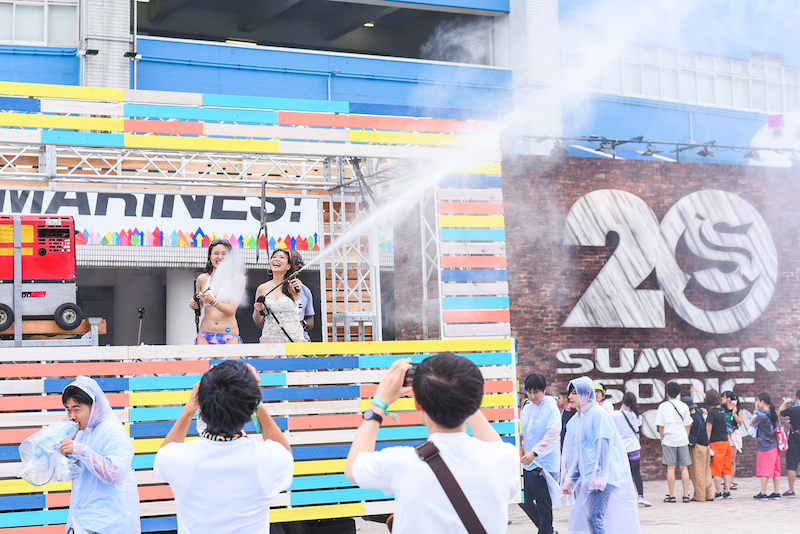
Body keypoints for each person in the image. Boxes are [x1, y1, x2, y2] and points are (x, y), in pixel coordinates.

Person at [344, 353, 519, 534]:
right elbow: (494, 445)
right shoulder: (505, 457)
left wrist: (379, 403)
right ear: (476, 401)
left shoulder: (400, 462)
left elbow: (352, 469)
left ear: (418, 404)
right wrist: (464, 397)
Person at [154, 360, 293, 533]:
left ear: (201, 403)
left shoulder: (181, 459)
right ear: (250, 409)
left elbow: (165, 452)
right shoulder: (266, 459)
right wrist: (255, 398)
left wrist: (190, 407)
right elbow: (284, 452)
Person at [60, 376, 140, 534]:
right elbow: (73, 472)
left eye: (77, 409)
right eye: (68, 410)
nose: (72, 416)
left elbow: (115, 473)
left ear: (95, 406)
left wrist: (81, 451)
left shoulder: (112, 429)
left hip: (110, 523)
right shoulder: (85, 431)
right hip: (87, 520)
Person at [561, 377, 640, 534]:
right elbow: (581, 453)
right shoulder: (581, 418)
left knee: (595, 518)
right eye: (570, 393)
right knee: (588, 518)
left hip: (604, 477)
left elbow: (604, 447)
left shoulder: (598, 414)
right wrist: (573, 479)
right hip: (589, 476)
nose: (570, 397)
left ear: (586, 394)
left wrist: (599, 476)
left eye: (575, 393)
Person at [519, 374, 561, 534]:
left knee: (544, 504)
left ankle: (545, 531)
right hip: (528, 462)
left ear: (545, 390)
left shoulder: (551, 408)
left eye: (536, 392)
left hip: (543, 464)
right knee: (524, 500)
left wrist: (535, 452)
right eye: (529, 392)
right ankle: (548, 531)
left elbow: (552, 435)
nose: (532, 395)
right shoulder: (527, 407)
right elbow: (524, 431)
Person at [189, 239, 243, 344]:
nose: (220, 257)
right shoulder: (202, 278)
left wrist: (213, 301)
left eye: (224, 254)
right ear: (210, 256)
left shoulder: (237, 278)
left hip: (229, 335)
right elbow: (200, 304)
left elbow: (231, 309)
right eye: (216, 253)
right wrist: (195, 304)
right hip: (205, 334)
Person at [253, 249, 307, 344]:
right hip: (269, 336)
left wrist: (299, 285)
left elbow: (298, 289)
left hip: (293, 336)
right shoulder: (262, 288)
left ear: (288, 266)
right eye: (274, 257)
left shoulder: (292, 285)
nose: (276, 259)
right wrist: (257, 310)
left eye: (281, 257)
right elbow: (258, 321)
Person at [655, 381, 693, 503]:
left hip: (669, 439)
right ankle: (686, 495)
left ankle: (672, 496)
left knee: (671, 468)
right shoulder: (684, 406)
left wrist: (662, 439)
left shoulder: (663, 406)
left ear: (667, 393)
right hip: (682, 439)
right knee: (684, 468)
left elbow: (661, 426)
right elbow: (688, 424)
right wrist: (685, 436)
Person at [612, 392, 651, 507]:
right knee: (636, 473)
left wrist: (621, 409)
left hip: (621, 448)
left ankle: (623, 497)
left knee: (622, 474)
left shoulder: (617, 414)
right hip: (634, 448)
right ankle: (641, 496)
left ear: (623, 401)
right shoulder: (637, 415)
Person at [752, 392, 782, 499]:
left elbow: (752, 423)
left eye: (758, 401)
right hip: (774, 445)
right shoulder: (774, 413)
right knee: (776, 470)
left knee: (764, 470)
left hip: (765, 446)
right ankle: (776, 492)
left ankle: (763, 492)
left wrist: (755, 410)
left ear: (763, 402)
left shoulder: (762, 416)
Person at [705, 389, 733, 499]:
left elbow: (709, 429)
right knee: (726, 468)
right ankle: (727, 491)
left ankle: (718, 492)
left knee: (716, 469)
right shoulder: (722, 410)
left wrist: (707, 442)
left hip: (716, 443)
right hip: (726, 442)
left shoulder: (712, 413)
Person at [685, 396, 714, 502]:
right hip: (706, 444)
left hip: (697, 446)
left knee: (697, 471)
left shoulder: (691, 418)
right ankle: (709, 494)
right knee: (706, 471)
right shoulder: (698, 413)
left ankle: (700, 495)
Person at [289, 250, 315, 341]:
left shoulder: (305, 291)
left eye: (302, 263)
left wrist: (302, 324)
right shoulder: (272, 288)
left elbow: (310, 320)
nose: (300, 265)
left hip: (301, 339)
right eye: (296, 262)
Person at [778, 390, 800, 497]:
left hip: (795, 440)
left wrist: (786, 402)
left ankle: (791, 490)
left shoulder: (793, 410)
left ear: (797, 398)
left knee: (792, 465)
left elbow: (780, 412)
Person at [722, 391, 744, 490]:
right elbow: (711, 398)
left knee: (732, 459)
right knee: (724, 459)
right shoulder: (722, 408)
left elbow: (740, 422)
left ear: (728, 399)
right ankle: (725, 480)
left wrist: (734, 414)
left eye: (723, 397)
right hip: (724, 434)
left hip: (733, 434)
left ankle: (731, 481)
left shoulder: (738, 409)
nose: (722, 399)